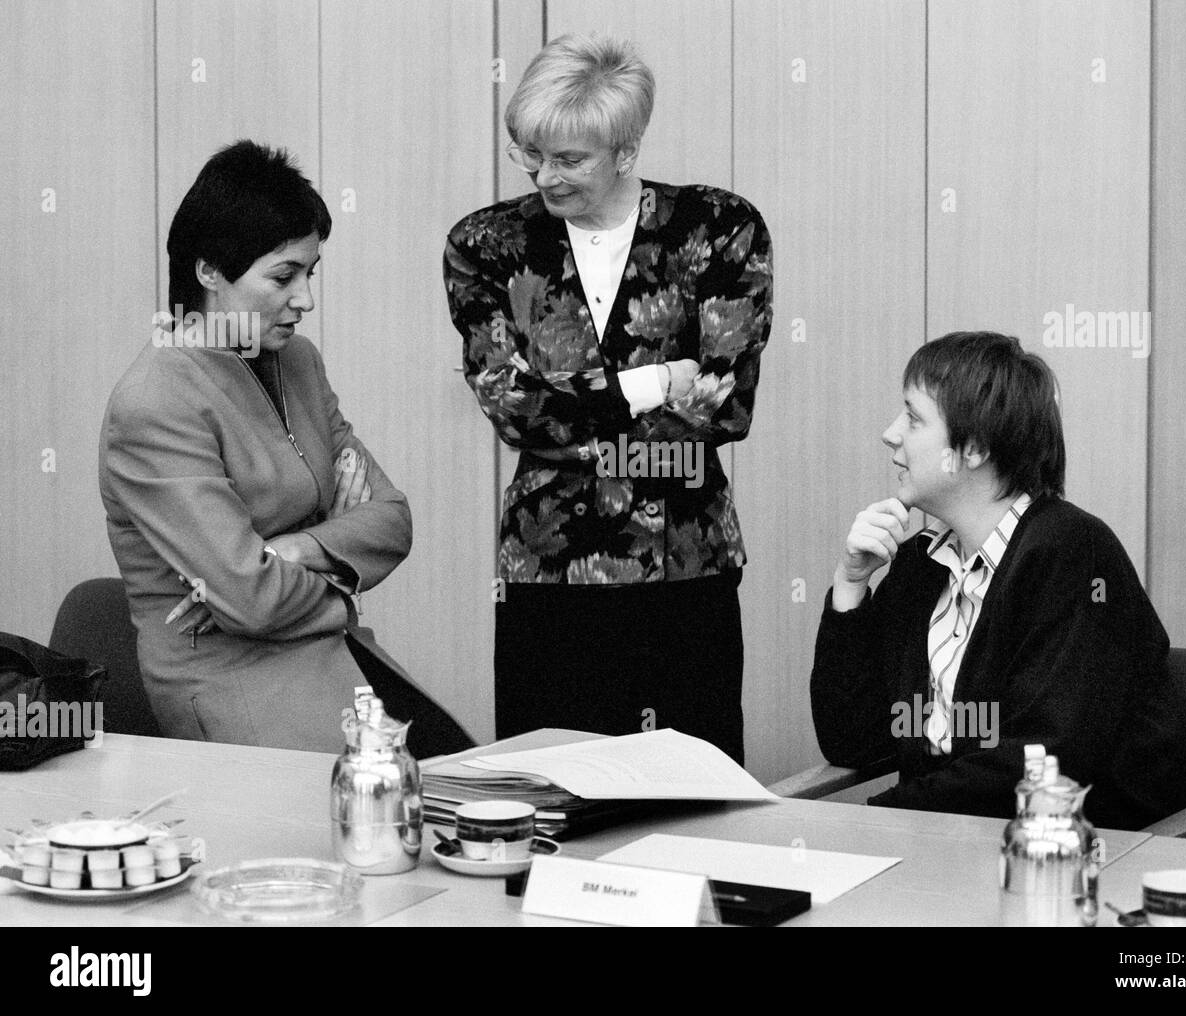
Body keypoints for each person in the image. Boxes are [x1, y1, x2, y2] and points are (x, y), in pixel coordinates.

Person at [443, 35, 772, 763]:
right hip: (549, 567)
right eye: (528, 153)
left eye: (568, 159)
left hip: (685, 562)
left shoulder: (718, 229)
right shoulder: (489, 243)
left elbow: (726, 406)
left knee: (692, 804)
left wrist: (564, 416)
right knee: (550, 796)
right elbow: (508, 404)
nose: (543, 176)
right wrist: (653, 383)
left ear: (626, 150)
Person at [99, 140, 471, 757]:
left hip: (333, 658)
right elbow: (250, 598)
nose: (306, 299)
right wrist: (343, 576)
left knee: (463, 781)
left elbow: (392, 518)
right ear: (209, 271)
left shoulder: (296, 361)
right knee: (393, 815)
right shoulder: (155, 402)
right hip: (233, 681)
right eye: (283, 276)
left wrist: (298, 548)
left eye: (309, 273)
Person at [810, 331, 1186, 830]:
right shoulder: (921, 567)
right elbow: (854, 740)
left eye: (913, 417)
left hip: (1076, 859)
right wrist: (850, 585)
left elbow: (1044, 761)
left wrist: (883, 820)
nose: (890, 433)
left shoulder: (1073, 553)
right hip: (948, 847)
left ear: (974, 448)